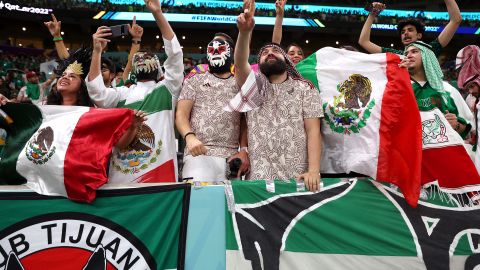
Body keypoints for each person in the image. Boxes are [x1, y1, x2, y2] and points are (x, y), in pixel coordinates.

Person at [229, 0, 323, 192]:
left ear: (286, 60)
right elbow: (239, 62)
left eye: (275, 51)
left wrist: (314, 170)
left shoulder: (306, 89)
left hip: (297, 178)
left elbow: (314, 132)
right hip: (259, 180)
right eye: (264, 53)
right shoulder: (254, 86)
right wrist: (245, 32)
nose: (269, 53)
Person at [86, 0, 183, 183]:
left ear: (160, 70)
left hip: (158, 175)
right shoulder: (122, 93)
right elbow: (96, 93)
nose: (142, 59)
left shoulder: (167, 89)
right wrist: (97, 51)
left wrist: (158, 14)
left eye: (149, 57)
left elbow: (175, 54)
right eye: (139, 57)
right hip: (120, 178)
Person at [176, 33, 249, 182]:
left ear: (231, 52)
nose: (216, 52)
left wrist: (243, 150)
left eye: (221, 48)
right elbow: (181, 114)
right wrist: (190, 137)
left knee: (229, 204)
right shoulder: (195, 79)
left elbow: (245, 120)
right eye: (212, 49)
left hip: (231, 156)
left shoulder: (240, 82)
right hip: (199, 153)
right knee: (198, 202)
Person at [400, 41, 473, 138]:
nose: (408, 55)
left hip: (441, 150)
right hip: (409, 150)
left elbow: (468, 129)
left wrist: (456, 125)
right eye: (406, 53)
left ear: (427, 57)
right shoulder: (399, 88)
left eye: (414, 51)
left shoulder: (447, 90)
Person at [358, 0, 462, 55]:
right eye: (403, 32)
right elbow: (363, 42)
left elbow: (456, 20)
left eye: (410, 30)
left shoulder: (430, 50)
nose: (405, 33)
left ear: (419, 35)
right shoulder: (396, 55)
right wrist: (372, 14)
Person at [271, 0, 305, 65]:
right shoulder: (281, 72)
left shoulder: (310, 73)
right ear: (285, 57)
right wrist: (279, 16)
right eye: (291, 53)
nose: (296, 55)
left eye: (300, 54)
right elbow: (275, 45)